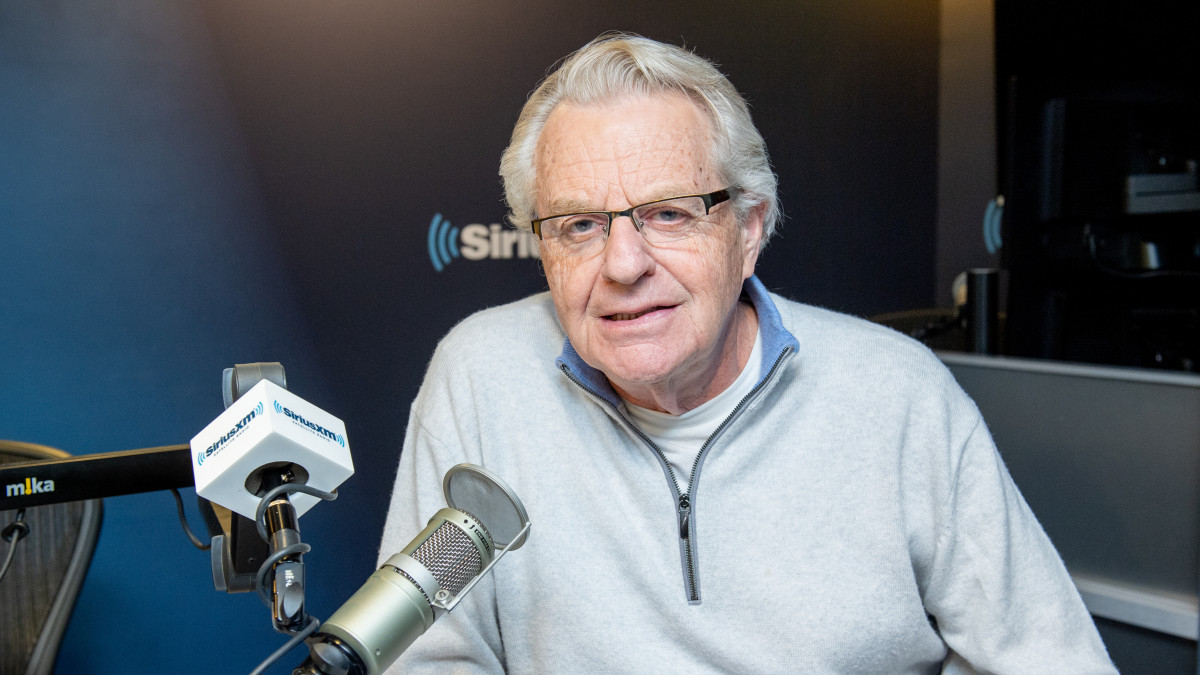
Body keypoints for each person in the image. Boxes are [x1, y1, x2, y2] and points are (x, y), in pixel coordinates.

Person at [379, 33, 1116, 673]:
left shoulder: (898, 397)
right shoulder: (481, 374)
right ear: (541, 245)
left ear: (749, 229)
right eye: (578, 225)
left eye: (669, 213)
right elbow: (427, 655)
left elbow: (1050, 659)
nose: (624, 264)